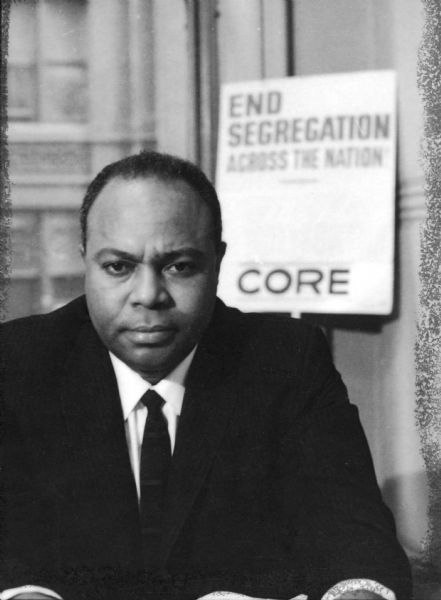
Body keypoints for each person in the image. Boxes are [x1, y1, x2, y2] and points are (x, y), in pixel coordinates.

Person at [1, 151, 411, 600]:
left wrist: (357, 594)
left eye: (179, 266)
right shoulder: (19, 362)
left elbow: (355, 539)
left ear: (217, 263)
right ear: (86, 262)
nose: (149, 296)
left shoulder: (286, 360)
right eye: (118, 266)